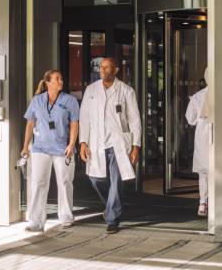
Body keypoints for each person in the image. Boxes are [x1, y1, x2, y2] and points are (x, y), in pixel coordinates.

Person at [79, 57, 141, 234]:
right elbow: (84, 119)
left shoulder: (126, 91)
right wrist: (83, 142)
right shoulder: (91, 90)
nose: (102, 69)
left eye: (107, 67)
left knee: (117, 182)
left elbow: (135, 120)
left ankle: (112, 218)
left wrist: (136, 145)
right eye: (101, 67)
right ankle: (111, 205)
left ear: (116, 70)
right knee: (95, 179)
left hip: (118, 144)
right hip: (96, 143)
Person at [21, 70, 80, 232]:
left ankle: (66, 217)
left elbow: (75, 124)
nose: (61, 81)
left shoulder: (70, 101)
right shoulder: (37, 100)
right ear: (47, 82)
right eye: (57, 79)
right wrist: (25, 146)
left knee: (65, 182)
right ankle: (35, 221)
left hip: (62, 149)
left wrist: (71, 143)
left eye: (61, 78)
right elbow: (30, 124)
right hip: (40, 148)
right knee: (38, 183)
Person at [185, 69, 211, 217]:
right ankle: (216, 201)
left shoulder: (197, 97)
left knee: (203, 173)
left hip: (203, 135)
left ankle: (203, 202)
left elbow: (190, 119)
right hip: (220, 135)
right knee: (218, 171)